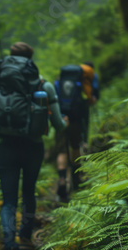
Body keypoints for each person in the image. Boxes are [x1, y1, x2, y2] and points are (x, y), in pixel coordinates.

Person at [0, 42, 67, 250]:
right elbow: (58, 124)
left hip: (6, 148)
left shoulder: (1, 84)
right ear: (30, 60)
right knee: (29, 193)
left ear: (11, 58)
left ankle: (10, 243)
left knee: (9, 199)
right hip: (33, 147)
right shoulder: (43, 86)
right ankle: (26, 238)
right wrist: (65, 123)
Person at [55, 61, 98, 202]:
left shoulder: (58, 83)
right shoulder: (82, 85)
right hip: (75, 120)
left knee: (61, 150)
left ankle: (61, 179)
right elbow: (90, 102)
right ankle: (75, 179)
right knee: (74, 147)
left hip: (61, 119)